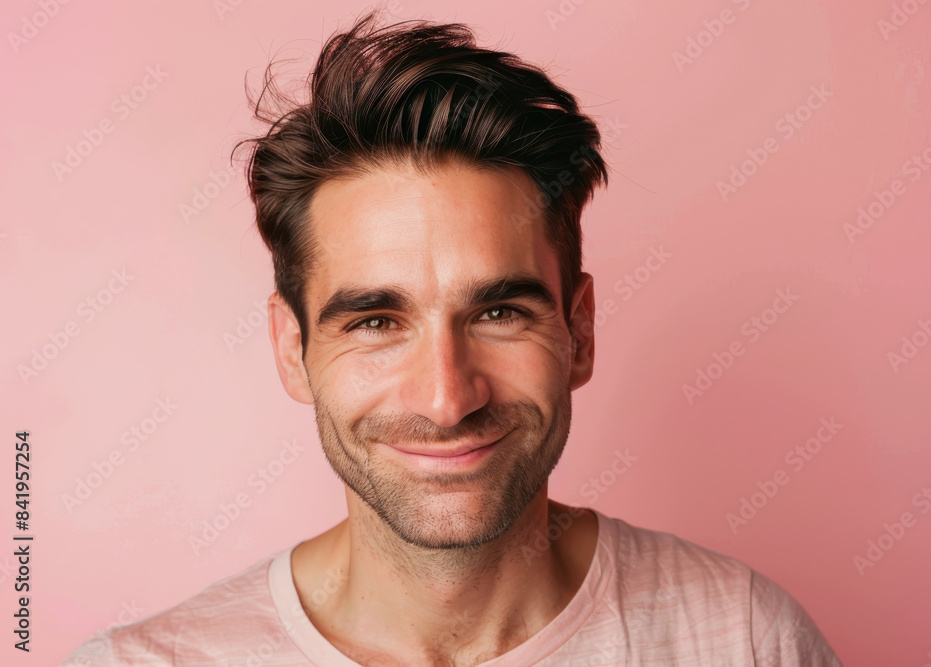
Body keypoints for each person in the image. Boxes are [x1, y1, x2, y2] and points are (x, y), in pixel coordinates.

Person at [64, 9, 842, 666]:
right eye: (376, 321)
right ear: (290, 348)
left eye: (499, 313)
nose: (446, 397)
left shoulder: (743, 638)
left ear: (579, 330)